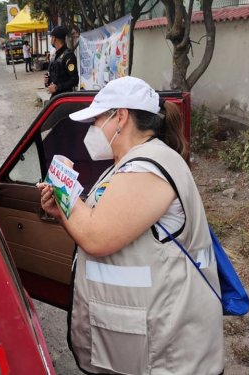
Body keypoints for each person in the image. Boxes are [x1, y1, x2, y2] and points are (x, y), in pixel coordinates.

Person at [38, 76, 224, 375]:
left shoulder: (148, 166)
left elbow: (97, 237)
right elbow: (102, 224)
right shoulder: (128, 164)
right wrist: (62, 212)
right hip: (141, 337)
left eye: (96, 119)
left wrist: (65, 194)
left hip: (167, 351)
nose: (92, 129)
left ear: (120, 117)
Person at [44, 26, 78, 97]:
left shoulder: (68, 55)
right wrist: (47, 81)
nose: (51, 40)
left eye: (51, 37)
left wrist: (57, 87)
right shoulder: (54, 55)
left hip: (65, 98)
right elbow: (55, 77)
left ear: (54, 39)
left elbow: (75, 80)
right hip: (55, 97)